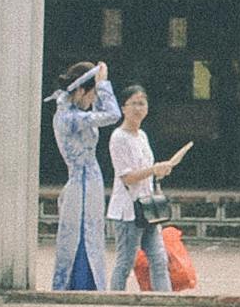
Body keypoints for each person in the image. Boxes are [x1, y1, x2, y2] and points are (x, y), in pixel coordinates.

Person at [106, 84, 192, 295]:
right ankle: (114, 300)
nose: (138, 108)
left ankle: (164, 301)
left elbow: (146, 172)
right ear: (123, 108)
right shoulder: (119, 137)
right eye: (133, 103)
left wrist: (159, 172)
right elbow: (127, 176)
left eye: (142, 103)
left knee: (159, 258)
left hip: (148, 207)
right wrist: (153, 169)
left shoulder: (142, 136)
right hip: (128, 210)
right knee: (125, 261)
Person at [48, 61, 121, 290]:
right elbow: (112, 114)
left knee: (91, 233)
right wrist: (104, 84)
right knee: (81, 236)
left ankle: (87, 284)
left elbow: (102, 113)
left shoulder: (75, 114)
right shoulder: (70, 118)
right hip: (80, 184)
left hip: (89, 182)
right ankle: (80, 285)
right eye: (92, 93)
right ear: (80, 90)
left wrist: (97, 85)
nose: (92, 100)